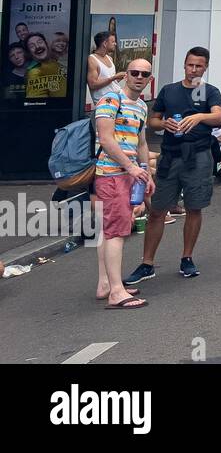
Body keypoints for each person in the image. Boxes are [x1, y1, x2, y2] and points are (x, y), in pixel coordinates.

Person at [125, 47, 221, 284]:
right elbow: (152, 120)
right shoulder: (169, 90)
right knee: (158, 210)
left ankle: (187, 258)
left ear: (205, 67)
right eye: (190, 65)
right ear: (184, 64)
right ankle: (147, 263)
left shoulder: (209, 91)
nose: (193, 70)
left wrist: (199, 117)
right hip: (170, 155)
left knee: (194, 207)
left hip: (199, 155)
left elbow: (219, 117)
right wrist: (164, 124)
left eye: (198, 66)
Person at [93, 58, 155, 309]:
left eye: (145, 74)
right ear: (125, 74)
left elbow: (141, 143)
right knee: (117, 232)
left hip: (127, 174)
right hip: (111, 174)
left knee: (113, 230)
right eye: (135, 72)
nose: (139, 77)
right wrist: (130, 167)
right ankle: (116, 292)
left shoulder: (141, 106)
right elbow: (106, 139)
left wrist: (146, 173)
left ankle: (107, 284)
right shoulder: (110, 100)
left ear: (150, 79)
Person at [87, 30, 126, 106]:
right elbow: (92, 84)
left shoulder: (109, 58)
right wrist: (113, 77)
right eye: (113, 42)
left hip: (118, 97)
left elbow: (110, 82)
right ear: (105, 43)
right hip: (105, 102)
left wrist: (119, 77)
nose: (115, 44)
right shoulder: (92, 59)